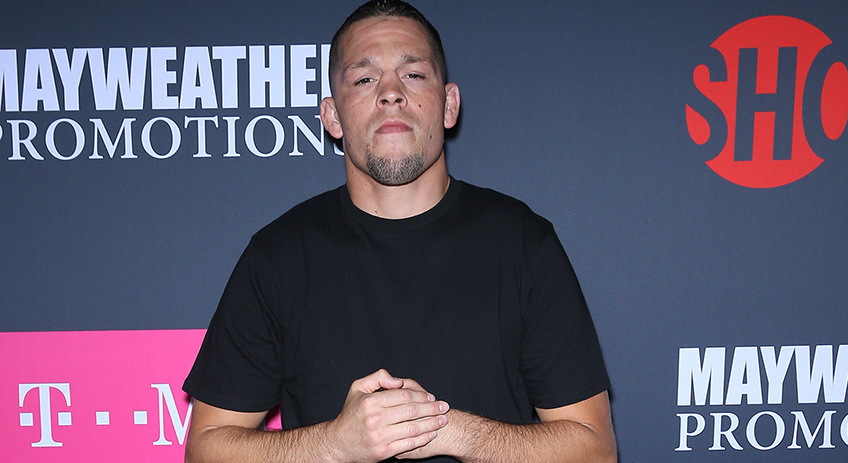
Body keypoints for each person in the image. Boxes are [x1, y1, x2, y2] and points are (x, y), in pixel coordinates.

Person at [182, 1, 617, 461]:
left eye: (412, 74)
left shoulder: (524, 243)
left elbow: (595, 451)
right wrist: (336, 444)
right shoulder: (278, 256)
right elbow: (206, 451)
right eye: (364, 79)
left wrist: (446, 430)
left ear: (449, 104)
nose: (391, 93)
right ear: (332, 117)